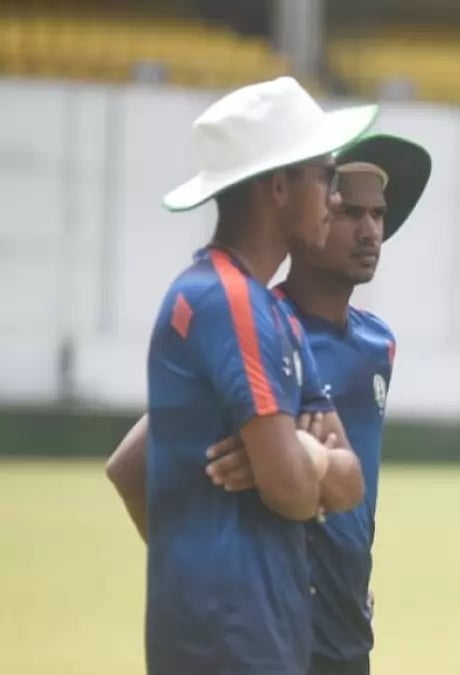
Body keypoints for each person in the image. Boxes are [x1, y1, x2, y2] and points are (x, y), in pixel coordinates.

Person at [106, 132, 431, 675]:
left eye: (378, 213)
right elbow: (131, 467)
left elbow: (349, 490)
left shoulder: (379, 343)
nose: (370, 229)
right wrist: (208, 583)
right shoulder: (256, 326)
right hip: (272, 628)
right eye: (349, 209)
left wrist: (349, 584)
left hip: (347, 630)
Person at [136, 76, 377, 675]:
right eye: (324, 176)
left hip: (261, 633)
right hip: (232, 642)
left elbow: (351, 485)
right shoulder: (232, 303)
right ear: (278, 186)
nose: (335, 196)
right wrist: (302, 458)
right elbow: (297, 492)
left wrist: (298, 458)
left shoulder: (268, 311)